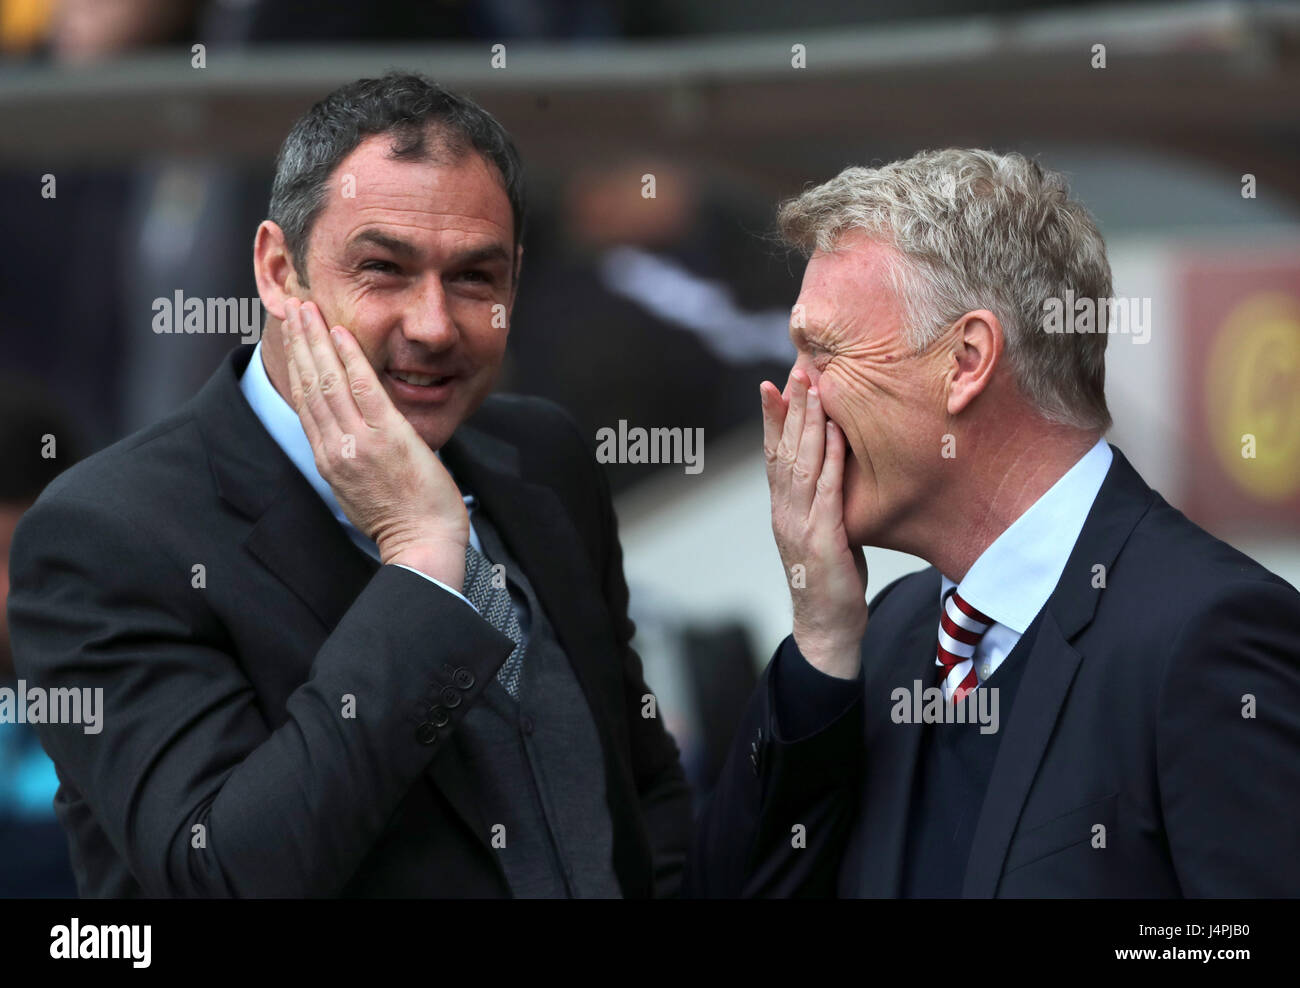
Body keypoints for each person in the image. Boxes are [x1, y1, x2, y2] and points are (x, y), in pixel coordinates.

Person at [7, 72, 691, 898]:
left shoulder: (543, 457)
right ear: (278, 270)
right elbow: (226, 874)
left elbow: (641, 796)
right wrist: (423, 564)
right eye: (384, 269)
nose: (434, 325)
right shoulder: (106, 535)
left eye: (475, 278)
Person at [687, 149, 1300, 897]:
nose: (796, 394)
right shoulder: (880, 639)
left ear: (967, 360)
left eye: (824, 351)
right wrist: (819, 643)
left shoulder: (1207, 633)